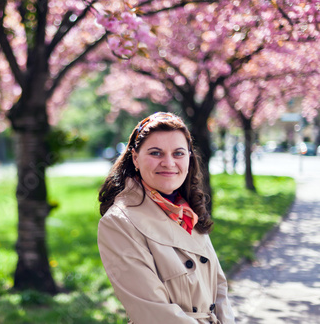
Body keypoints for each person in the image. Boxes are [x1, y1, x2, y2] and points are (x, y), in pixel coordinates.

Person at [97, 112, 235, 324]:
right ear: (135, 158)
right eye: (156, 153)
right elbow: (154, 313)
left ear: (189, 157)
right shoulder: (119, 222)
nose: (168, 163)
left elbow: (220, 289)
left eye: (178, 153)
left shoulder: (187, 210)